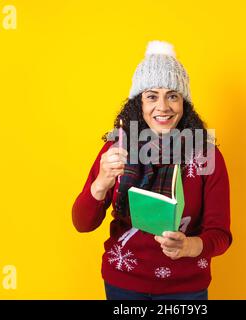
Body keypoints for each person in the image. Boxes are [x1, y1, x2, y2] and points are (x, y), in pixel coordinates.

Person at [72, 40, 232, 300]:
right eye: (151, 96)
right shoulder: (116, 151)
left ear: (184, 103)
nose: (163, 107)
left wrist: (189, 246)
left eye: (172, 95)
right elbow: (82, 224)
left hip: (186, 289)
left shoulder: (207, 156)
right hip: (123, 281)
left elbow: (221, 234)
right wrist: (101, 182)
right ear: (139, 104)